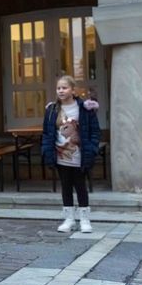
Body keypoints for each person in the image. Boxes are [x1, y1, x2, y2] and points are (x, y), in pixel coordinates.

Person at [41, 75, 101, 234]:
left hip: (79, 155)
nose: (61, 91)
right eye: (58, 88)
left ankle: (85, 219)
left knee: (80, 186)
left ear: (73, 90)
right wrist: (47, 152)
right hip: (60, 154)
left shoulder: (85, 109)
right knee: (66, 186)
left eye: (64, 88)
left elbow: (95, 131)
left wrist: (92, 148)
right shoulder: (52, 109)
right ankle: (69, 219)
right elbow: (47, 133)